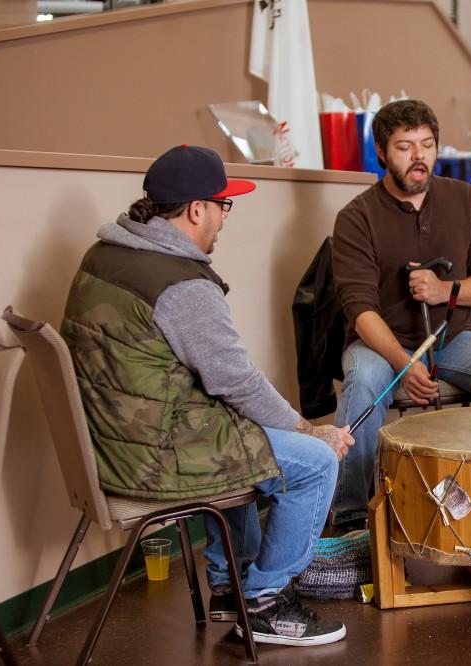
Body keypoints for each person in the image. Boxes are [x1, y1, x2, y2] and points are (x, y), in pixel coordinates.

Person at [60, 145, 354, 647]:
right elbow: (236, 381)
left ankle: (229, 585)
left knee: (238, 427)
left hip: (112, 441)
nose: (224, 218)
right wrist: (311, 431)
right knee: (316, 464)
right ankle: (263, 603)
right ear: (197, 210)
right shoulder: (180, 286)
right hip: (151, 457)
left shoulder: (105, 254)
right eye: (223, 205)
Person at [331, 100, 471, 534]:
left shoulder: (464, 200)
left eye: (426, 144)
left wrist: (446, 290)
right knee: (363, 381)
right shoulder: (357, 217)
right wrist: (404, 363)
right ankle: (350, 520)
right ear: (381, 152)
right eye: (405, 146)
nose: (418, 156)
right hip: (380, 344)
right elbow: (360, 310)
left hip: (453, 338)